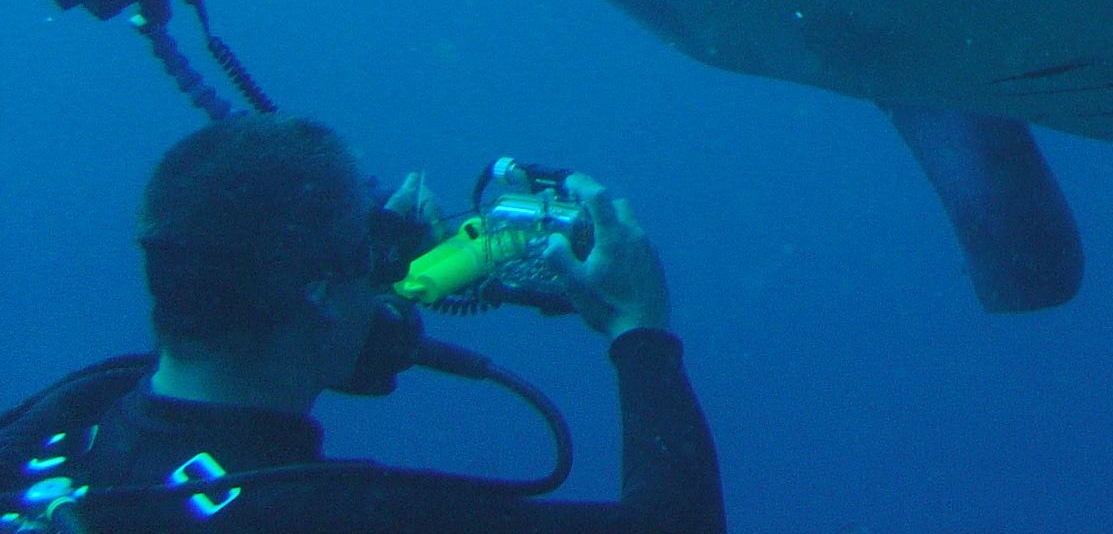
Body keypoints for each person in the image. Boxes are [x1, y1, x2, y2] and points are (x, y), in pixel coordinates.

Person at [0, 115, 724, 532]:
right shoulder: (329, 515)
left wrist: (361, 294)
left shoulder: (76, 411)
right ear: (319, 291)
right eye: (366, 251)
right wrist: (640, 330)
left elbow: (257, 306)